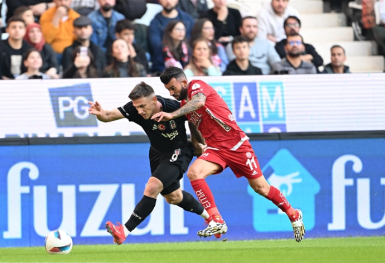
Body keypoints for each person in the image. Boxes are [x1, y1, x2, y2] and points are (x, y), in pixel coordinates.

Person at [152, 66, 305, 242]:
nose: (172, 93)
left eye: (173, 88)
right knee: (194, 173)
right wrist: (198, 145)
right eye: (168, 90)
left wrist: (171, 115)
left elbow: (199, 102)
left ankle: (293, 214)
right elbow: (193, 126)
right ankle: (216, 220)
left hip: (237, 145)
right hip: (215, 148)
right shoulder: (183, 105)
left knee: (261, 188)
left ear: (184, 82)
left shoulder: (197, 86)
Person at [87, 81, 210, 245]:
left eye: (142, 106)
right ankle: (212, 220)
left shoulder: (173, 106)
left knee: (152, 186)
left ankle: (123, 231)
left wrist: (198, 144)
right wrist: (101, 114)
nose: (139, 111)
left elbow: (194, 118)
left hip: (179, 151)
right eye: (136, 107)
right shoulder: (135, 109)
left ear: (154, 100)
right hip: (157, 153)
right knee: (173, 197)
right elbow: (109, 116)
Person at [149, 0, 194, 73]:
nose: (168, 2)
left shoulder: (188, 19)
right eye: (177, 29)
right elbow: (155, 46)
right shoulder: (155, 22)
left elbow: (194, 41)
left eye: (182, 29)